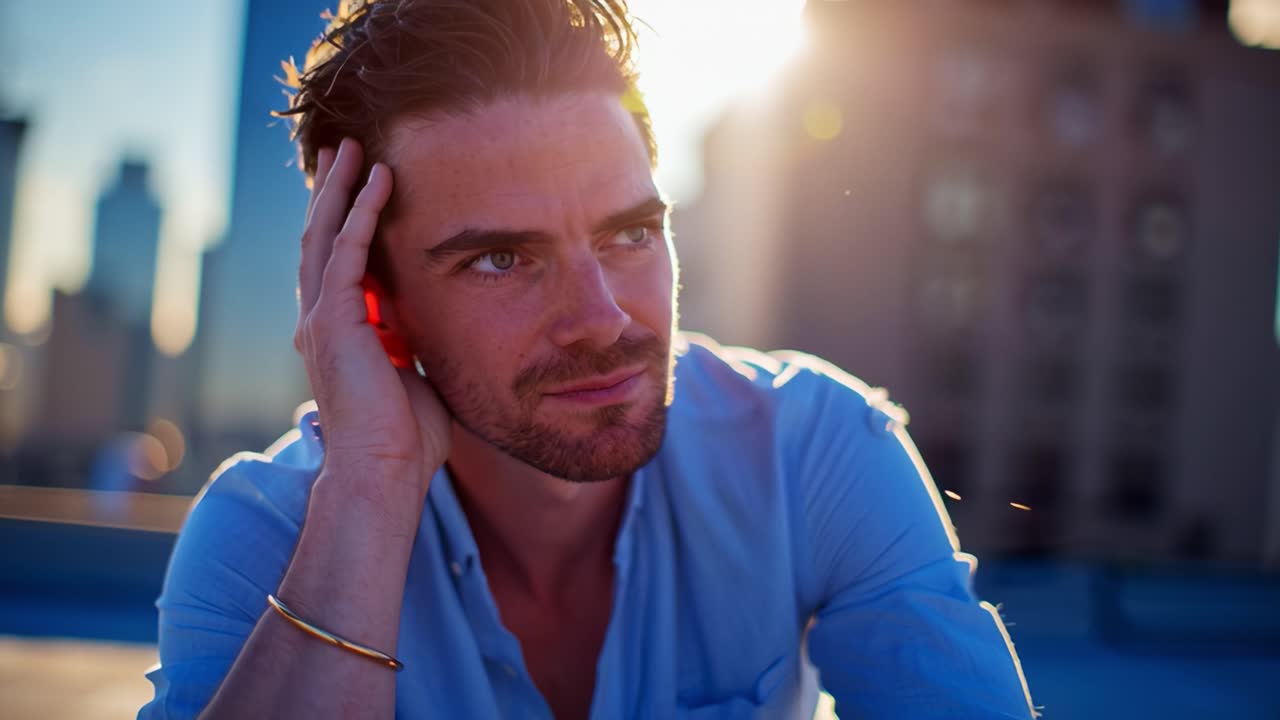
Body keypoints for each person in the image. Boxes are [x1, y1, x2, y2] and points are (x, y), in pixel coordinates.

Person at [139, 1, 1037, 718]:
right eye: (502, 259)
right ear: (377, 304)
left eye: (631, 233)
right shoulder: (267, 540)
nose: (602, 320)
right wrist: (371, 482)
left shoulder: (814, 450)